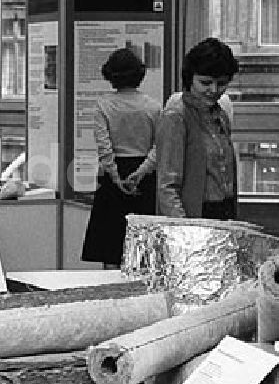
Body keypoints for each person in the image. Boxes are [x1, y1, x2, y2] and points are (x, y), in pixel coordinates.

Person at [80, 48, 161, 268]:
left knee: (110, 245)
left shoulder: (103, 105)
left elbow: (104, 147)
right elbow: (159, 146)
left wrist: (115, 176)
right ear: (140, 75)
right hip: (145, 173)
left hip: (113, 173)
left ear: (110, 76)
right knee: (144, 246)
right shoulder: (153, 106)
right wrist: (142, 171)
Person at [156, 37, 240, 220]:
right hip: (193, 215)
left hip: (223, 211)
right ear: (190, 78)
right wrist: (183, 229)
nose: (214, 90)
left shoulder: (220, 115)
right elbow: (167, 187)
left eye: (222, 83)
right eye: (205, 82)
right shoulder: (176, 116)